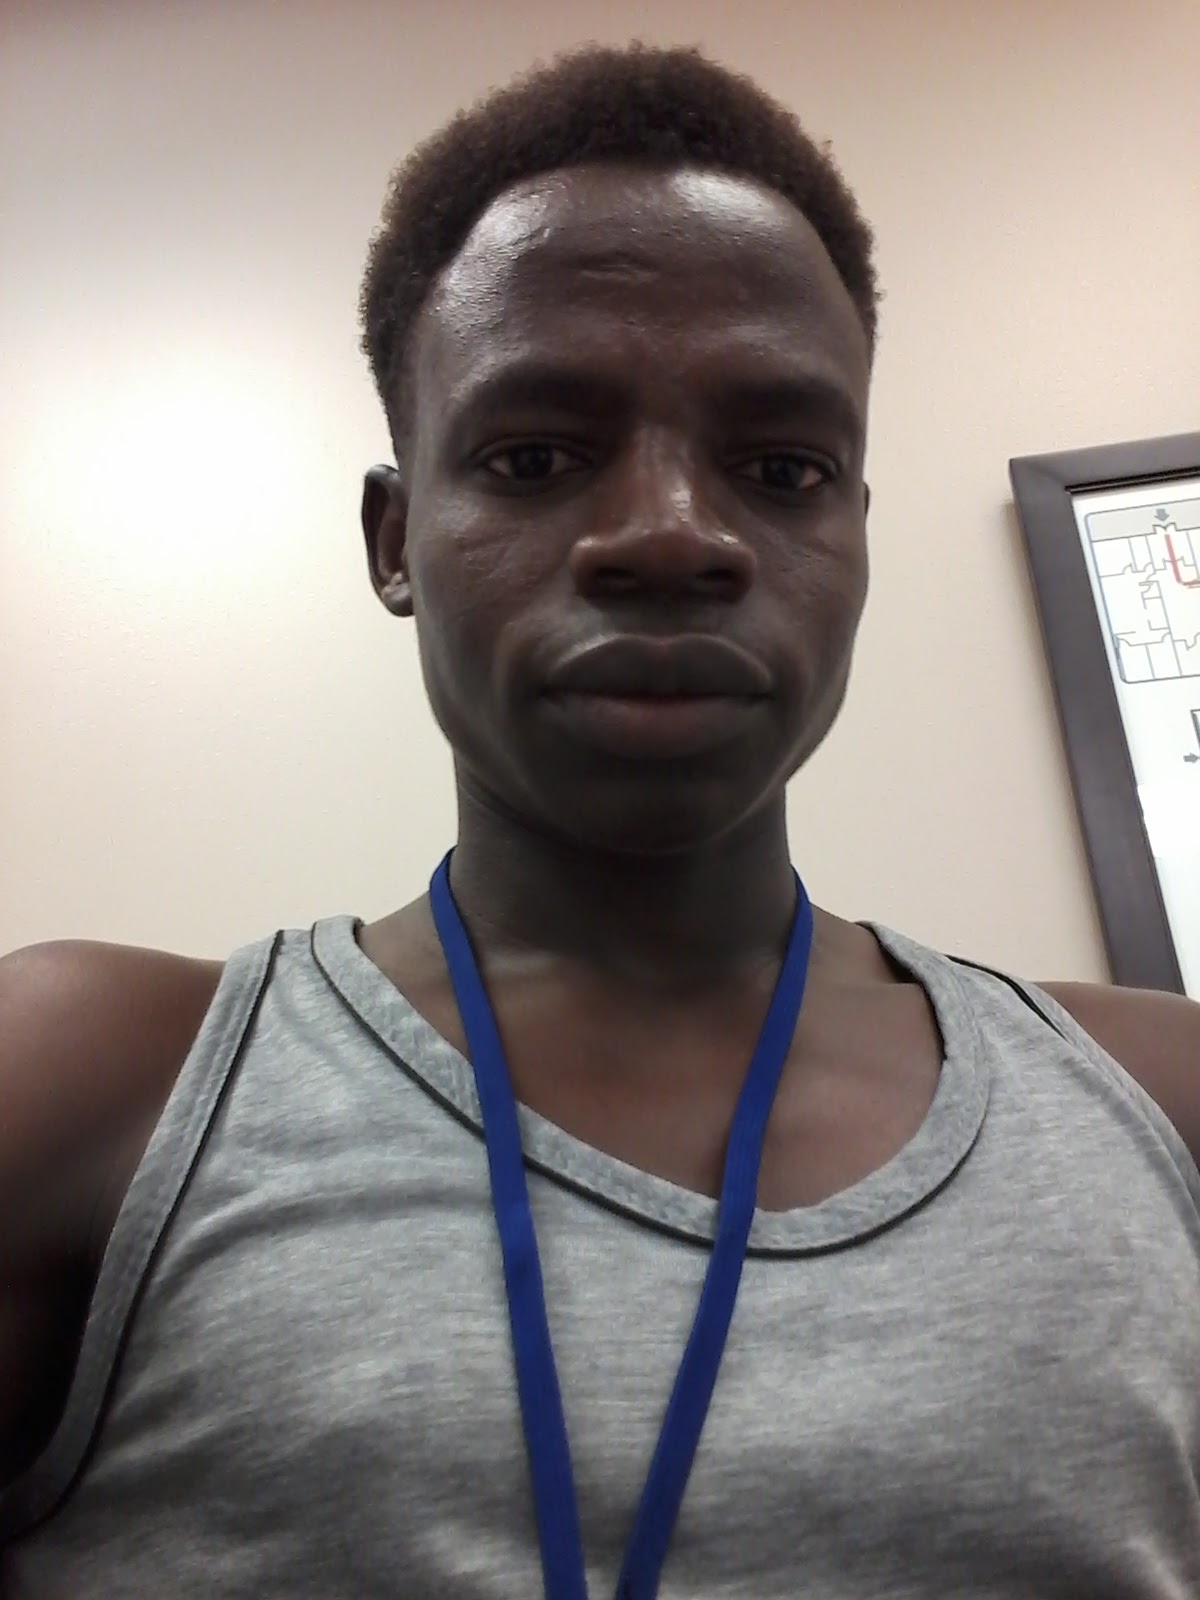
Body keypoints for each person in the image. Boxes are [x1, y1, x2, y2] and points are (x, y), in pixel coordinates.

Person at [2, 40, 1198, 1600]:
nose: (672, 535)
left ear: (854, 536)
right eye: (536, 456)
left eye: (783, 467)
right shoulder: (92, 1086)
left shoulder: (1161, 1102)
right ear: (395, 540)